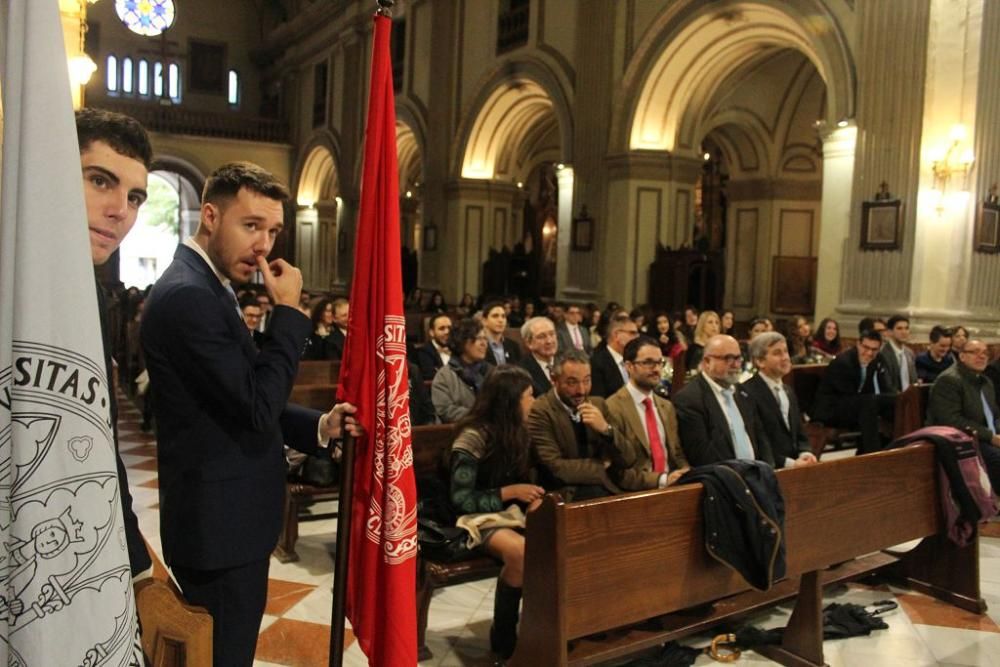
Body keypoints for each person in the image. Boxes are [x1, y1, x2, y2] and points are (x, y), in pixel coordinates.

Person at [141, 161, 359, 664]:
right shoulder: (188, 295)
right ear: (211, 216)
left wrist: (319, 425)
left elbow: (241, 395)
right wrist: (288, 314)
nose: (264, 245)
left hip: (229, 519)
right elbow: (258, 407)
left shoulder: (208, 285)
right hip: (219, 528)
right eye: (252, 226)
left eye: (274, 230)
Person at [77, 107, 153, 578]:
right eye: (100, 181)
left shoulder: (96, 300)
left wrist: (138, 566)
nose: (120, 210)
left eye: (136, 196)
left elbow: (103, 444)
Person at [448, 366, 545, 661]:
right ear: (510, 400)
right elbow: (460, 499)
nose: (535, 402)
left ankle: (545, 631)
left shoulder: (520, 431)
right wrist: (511, 492)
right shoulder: (473, 436)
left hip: (507, 513)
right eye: (529, 396)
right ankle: (503, 638)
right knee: (521, 552)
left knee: (557, 540)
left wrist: (533, 499)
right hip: (469, 519)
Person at [527, 350, 623, 500]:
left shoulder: (598, 404)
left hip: (605, 487)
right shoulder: (541, 410)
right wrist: (600, 467)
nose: (581, 390)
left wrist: (606, 429)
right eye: (572, 382)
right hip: (566, 494)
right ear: (554, 379)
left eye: (586, 381)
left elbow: (628, 458)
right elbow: (554, 468)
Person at [673, 334, 774, 467]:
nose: (735, 364)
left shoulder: (744, 393)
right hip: (723, 480)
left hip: (757, 475)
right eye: (728, 358)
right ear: (707, 362)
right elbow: (702, 456)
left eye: (738, 358)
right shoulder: (689, 399)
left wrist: (767, 469)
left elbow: (761, 439)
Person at [604, 336, 690, 490]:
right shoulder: (613, 407)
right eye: (648, 362)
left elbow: (677, 454)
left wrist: (686, 472)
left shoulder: (667, 406)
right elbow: (618, 471)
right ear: (629, 366)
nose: (656, 369)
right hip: (636, 495)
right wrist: (662, 480)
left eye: (659, 362)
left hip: (673, 489)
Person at [927, 339, 1000, 492]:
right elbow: (951, 420)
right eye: (975, 352)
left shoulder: (985, 381)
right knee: (997, 458)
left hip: (985, 436)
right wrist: (990, 437)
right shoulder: (949, 380)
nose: (981, 356)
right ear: (962, 356)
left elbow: (993, 415)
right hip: (961, 439)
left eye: (985, 353)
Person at [811, 330, 895, 455]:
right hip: (831, 409)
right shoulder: (843, 362)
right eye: (866, 347)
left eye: (874, 349)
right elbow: (845, 396)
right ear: (858, 344)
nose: (869, 353)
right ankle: (872, 455)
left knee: (892, 401)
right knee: (868, 404)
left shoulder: (875, 360)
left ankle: (891, 449)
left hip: (855, 406)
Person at [742, 332, 818, 468]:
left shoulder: (788, 390)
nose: (785, 358)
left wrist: (805, 452)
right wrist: (790, 464)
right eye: (777, 353)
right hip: (770, 468)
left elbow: (799, 431)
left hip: (796, 464)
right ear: (759, 361)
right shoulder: (748, 392)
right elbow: (758, 442)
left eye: (786, 352)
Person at [431, 318, 490, 423]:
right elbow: (445, 411)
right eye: (479, 339)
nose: (484, 343)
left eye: (485, 339)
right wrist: (481, 415)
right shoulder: (444, 376)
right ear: (462, 341)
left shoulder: (491, 371)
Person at [590, 312, 640, 398]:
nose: (637, 337)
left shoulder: (634, 360)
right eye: (632, 333)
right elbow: (598, 400)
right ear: (616, 335)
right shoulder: (597, 363)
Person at [517, 316, 559, 398]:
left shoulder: (567, 363)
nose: (549, 341)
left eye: (552, 334)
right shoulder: (521, 372)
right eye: (542, 336)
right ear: (529, 343)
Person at [879, 314, 917, 393]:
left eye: (906, 328)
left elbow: (913, 380)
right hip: (891, 400)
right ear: (890, 332)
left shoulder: (910, 353)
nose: (904, 332)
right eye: (899, 328)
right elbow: (886, 385)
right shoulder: (882, 354)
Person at [482, 299, 521, 366]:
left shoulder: (513, 346)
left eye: (503, 316)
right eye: (495, 316)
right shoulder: (479, 345)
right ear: (484, 321)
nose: (500, 320)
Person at [414, 313, 452, 379]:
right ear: (432, 332)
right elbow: (430, 377)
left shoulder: (459, 349)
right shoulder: (423, 352)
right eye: (442, 328)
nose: (447, 332)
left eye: (449, 328)